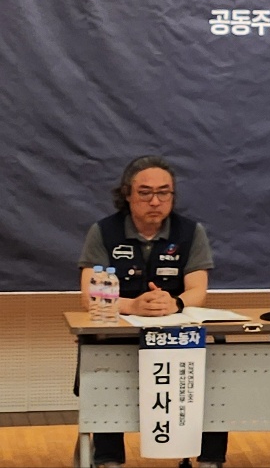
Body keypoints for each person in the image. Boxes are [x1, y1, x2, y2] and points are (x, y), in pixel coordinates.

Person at [76, 156, 229, 468]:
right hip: (121, 334)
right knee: (105, 368)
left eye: (164, 193)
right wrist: (132, 306)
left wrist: (175, 303)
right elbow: (90, 295)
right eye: (145, 193)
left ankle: (210, 460)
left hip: (176, 337)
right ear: (128, 194)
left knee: (215, 369)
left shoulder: (190, 232)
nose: (155, 201)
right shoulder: (103, 231)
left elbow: (198, 289)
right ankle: (108, 459)